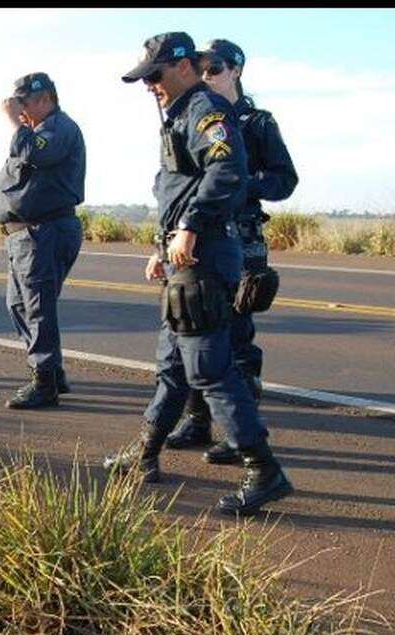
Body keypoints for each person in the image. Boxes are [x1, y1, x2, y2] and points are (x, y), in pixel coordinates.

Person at [104, 32, 293, 516]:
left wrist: (188, 228)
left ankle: (263, 469)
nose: (150, 85)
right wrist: (162, 247)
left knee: (208, 365)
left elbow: (226, 171)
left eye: (155, 74)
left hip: (206, 254)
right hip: (184, 257)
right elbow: (178, 190)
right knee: (171, 363)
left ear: (183, 66)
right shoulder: (181, 115)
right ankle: (145, 453)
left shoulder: (206, 110)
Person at [164, 38, 299, 464]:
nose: (207, 75)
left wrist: (245, 182)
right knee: (194, 333)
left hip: (242, 241)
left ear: (236, 70)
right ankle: (196, 419)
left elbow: (284, 180)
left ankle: (240, 433)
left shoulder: (256, 123)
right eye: (201, 68)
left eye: (216, 67)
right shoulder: (189, 116)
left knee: (237, 339)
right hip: (202, 239)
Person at [0, 72, 86, 408]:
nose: (21, 111)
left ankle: (44, 382)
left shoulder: (59, 128)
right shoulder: (36, 131)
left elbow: (34, 154)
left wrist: (15, 123)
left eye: (25, 104)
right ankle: (51, 371)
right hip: (25, 236)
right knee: (18, 304)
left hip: (45, 232)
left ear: (45, 99)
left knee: (38, 307)